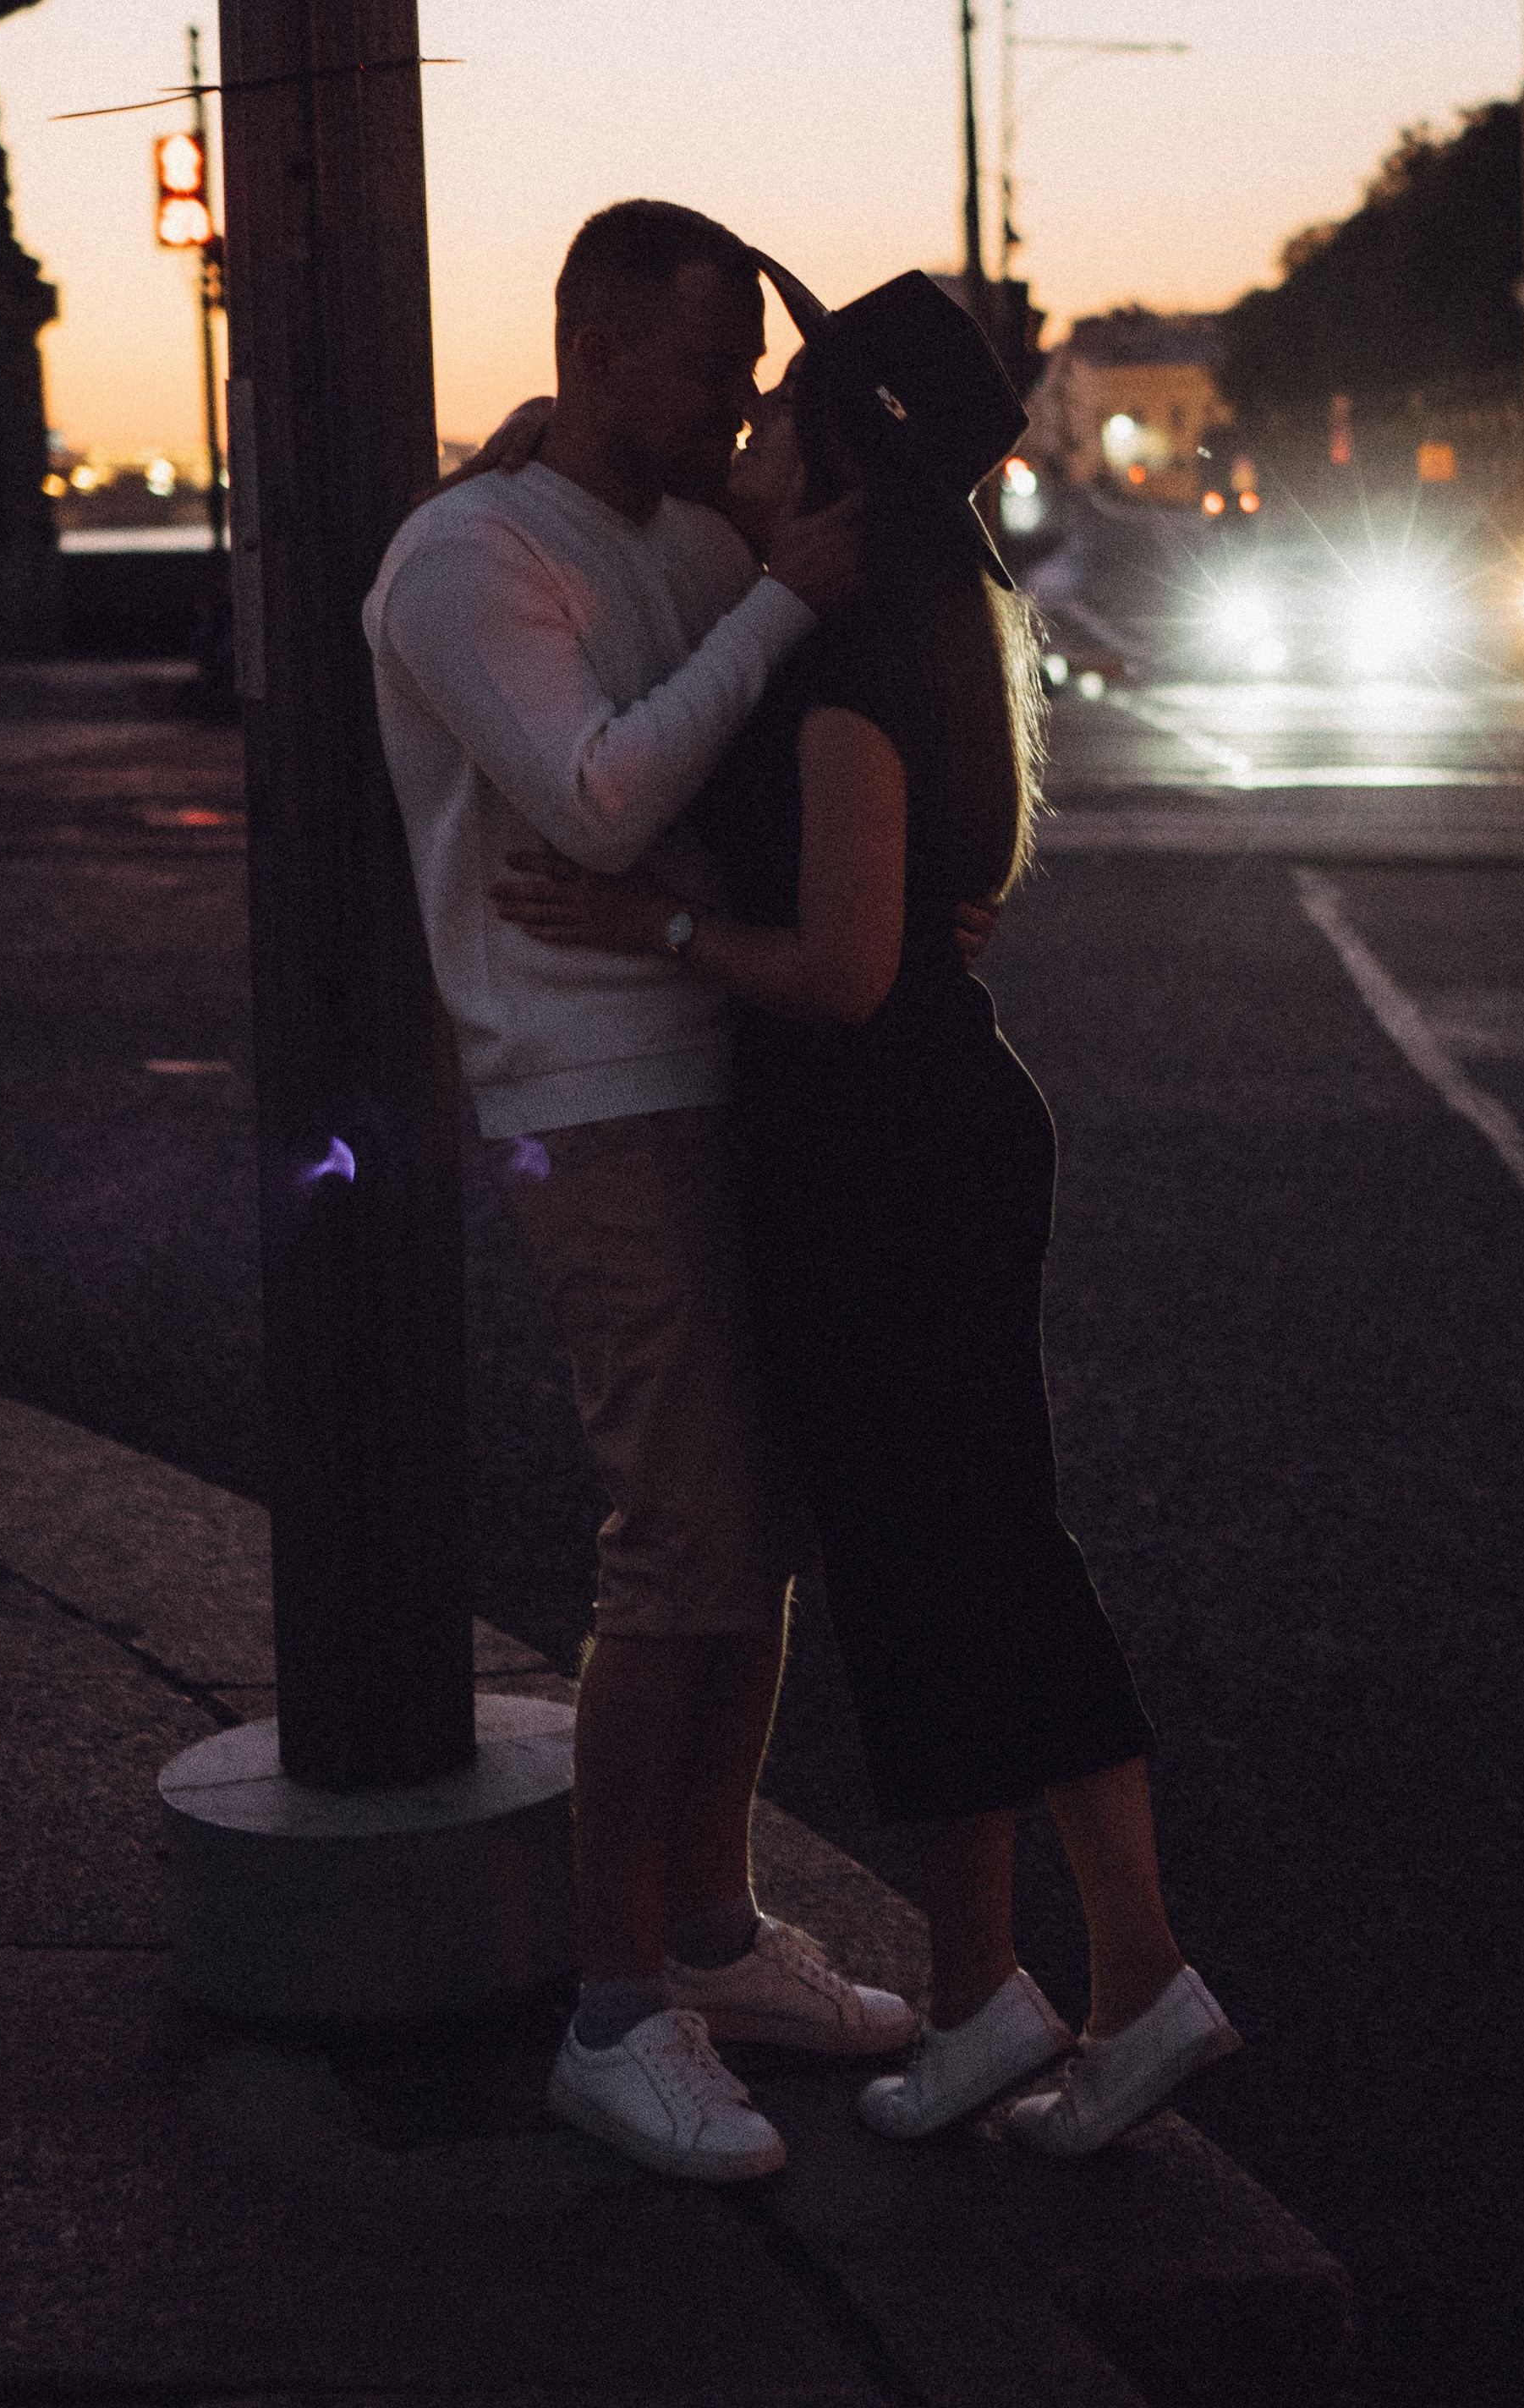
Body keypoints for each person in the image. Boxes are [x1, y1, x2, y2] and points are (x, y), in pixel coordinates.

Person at [492, 270, 1240, 2157]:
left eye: (772, 416)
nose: (740, 434)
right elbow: (907, 916)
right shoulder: (925, 613)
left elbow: (838, 968)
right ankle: (997, 1991)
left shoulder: (836, 662)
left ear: (833, 462)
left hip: (883, 1152)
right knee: (947, 1560)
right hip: (913, 1138)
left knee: (959, 1559)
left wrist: (650, 926)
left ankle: (1133, 1981)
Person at [364, 200, 921, 2188]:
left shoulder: (685, 532)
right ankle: (615, 2016)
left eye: (750, 372)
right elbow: (593, 789)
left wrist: (768, 577)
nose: (740, 403)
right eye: (710, 367)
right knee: (673, 1544)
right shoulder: (466, 556)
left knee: (748, 1530)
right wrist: (783, 600)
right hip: (583, 1092)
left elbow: (723, 799)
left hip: (724, 1062)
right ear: (597, 349)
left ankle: (710, 1936)